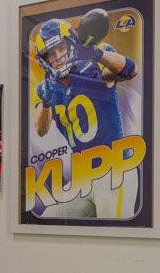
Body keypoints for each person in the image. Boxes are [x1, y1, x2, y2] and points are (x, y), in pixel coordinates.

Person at [30, 13, 141, 218]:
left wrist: (95, 53)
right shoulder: (44, 87)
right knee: (48, 220)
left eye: (61, 48)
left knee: (112, 233)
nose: (58, 56)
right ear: (44, 60)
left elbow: (131, 69)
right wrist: (46, 101)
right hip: (82, 176)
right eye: (51, 53)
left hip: (114, 168)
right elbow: (41, 129)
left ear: (71, 44)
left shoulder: (93, 65)